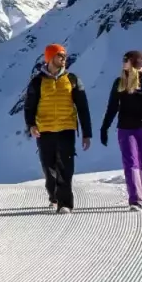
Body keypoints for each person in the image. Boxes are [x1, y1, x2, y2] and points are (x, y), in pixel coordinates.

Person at [22, 43, 91, 213]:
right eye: (60, 56)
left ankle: (65, 203)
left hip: (66, 128)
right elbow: (29, 105)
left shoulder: (72, 79)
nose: (64, 59)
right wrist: (31, 125)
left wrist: (86, 133)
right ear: (50, 57)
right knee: (48, 166)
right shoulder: (37, 81)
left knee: (66, 167)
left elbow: (83, 107)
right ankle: (54, 196)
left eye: (65, 56)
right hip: (44, 130)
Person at [100, 49, 142, 211]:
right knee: (131, 163)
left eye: (126, 60)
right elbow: (112, 107)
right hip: (126, 128)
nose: (123, 63)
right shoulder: (119, 82)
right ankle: (136, 199)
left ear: (135, 62)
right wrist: (105, 127)